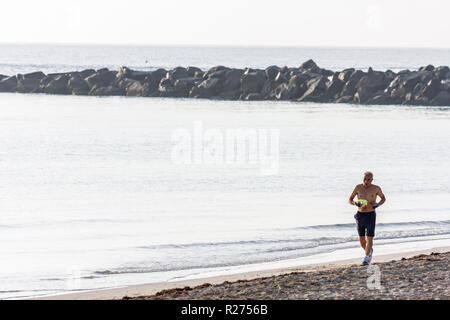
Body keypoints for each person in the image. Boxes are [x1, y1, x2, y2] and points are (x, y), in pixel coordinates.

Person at [348, 171, 386, 265]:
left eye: (368, 179)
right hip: (360, 215)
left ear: (372, 180)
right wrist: (355, 203)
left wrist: (377, 204)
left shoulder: (376, 188)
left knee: (369, 238)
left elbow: (383, 198)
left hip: (370, 215)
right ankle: (369, 252)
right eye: (364, 179)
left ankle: (366, 259)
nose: (366, 181)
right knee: (361, 239)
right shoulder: (358, 187)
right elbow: (350, 199)